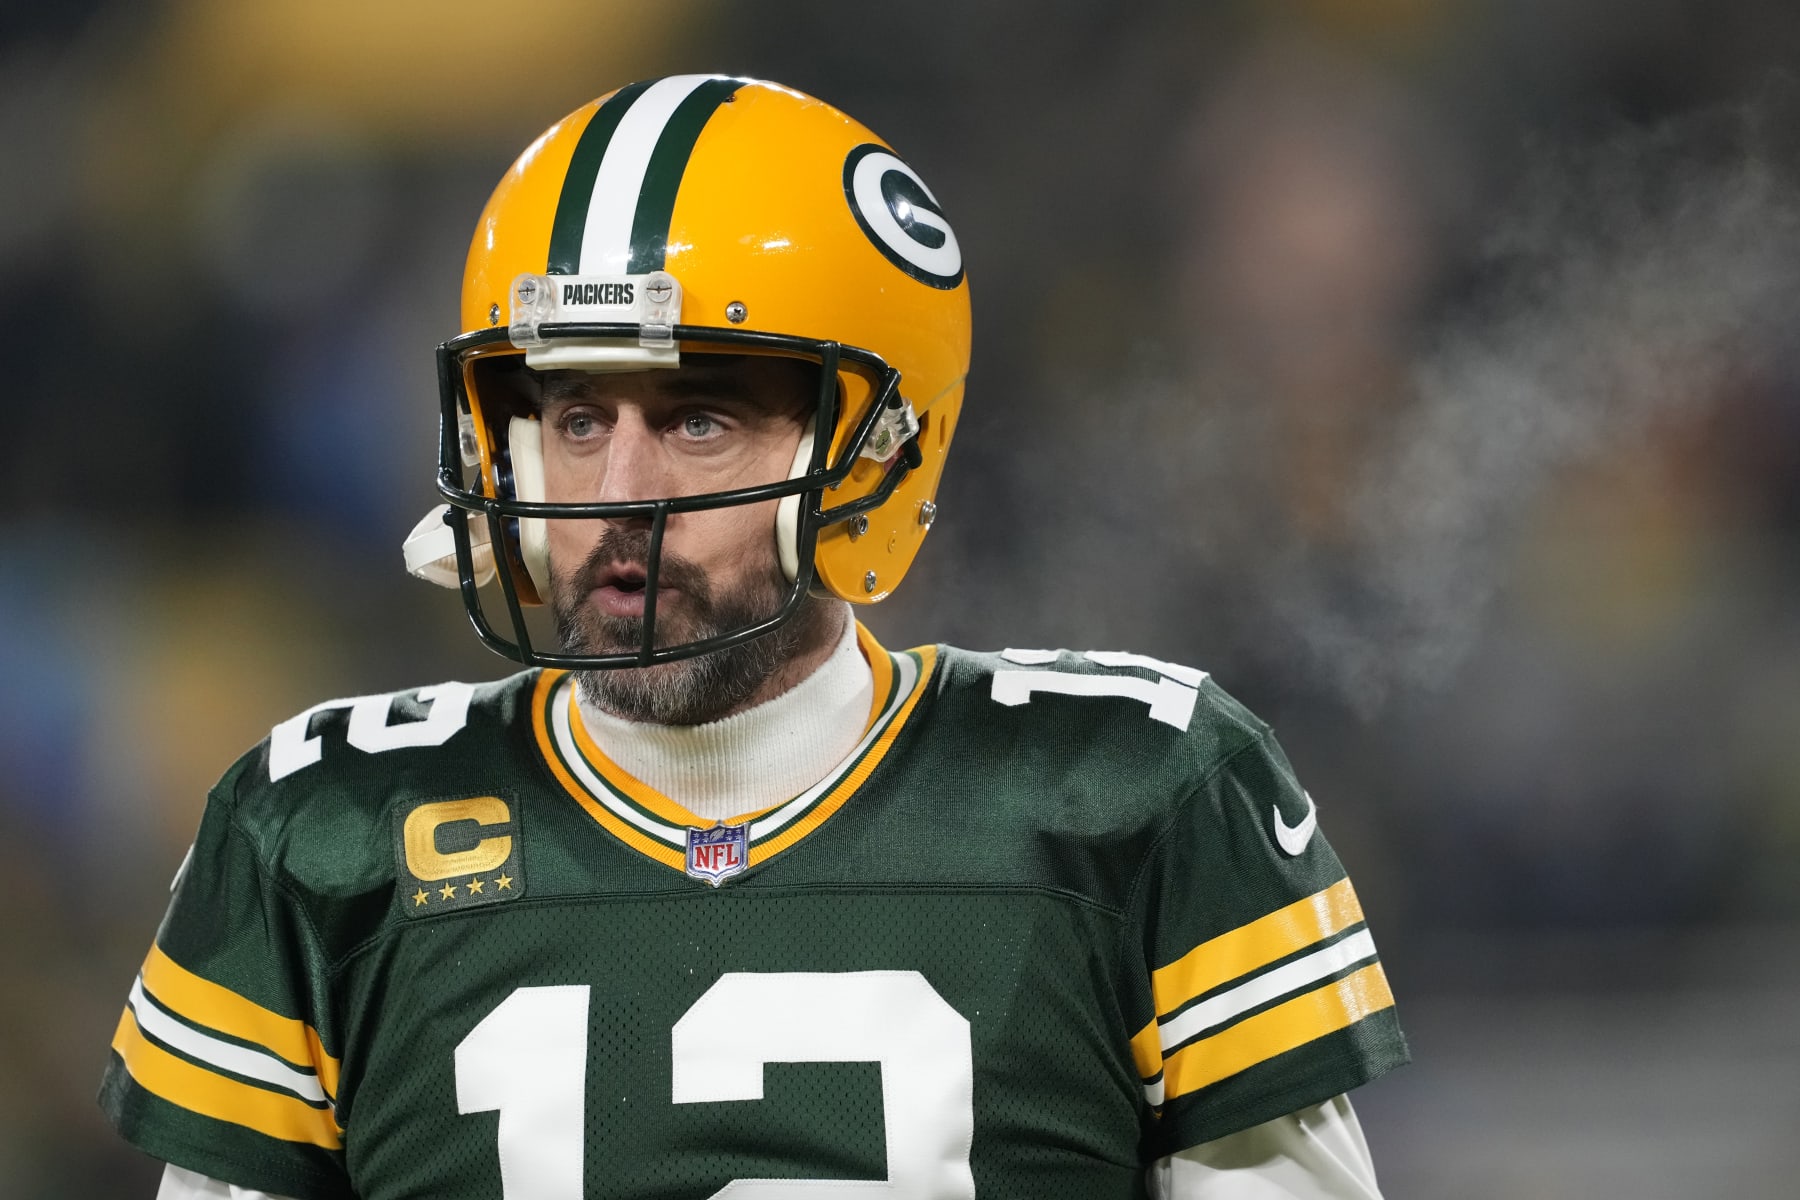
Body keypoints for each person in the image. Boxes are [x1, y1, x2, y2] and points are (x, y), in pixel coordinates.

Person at [100, 75, 1407, 1199]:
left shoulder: (1143, 799)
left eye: (698, 421)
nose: (616, 498)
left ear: (874, 451)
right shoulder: (320, 837)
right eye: (573, 420)